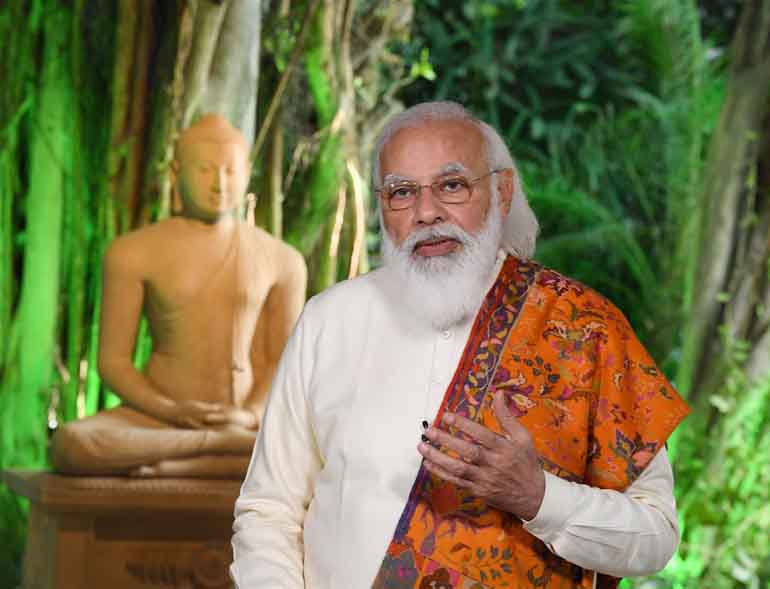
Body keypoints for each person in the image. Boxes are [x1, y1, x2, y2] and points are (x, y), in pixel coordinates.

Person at [230, 101, 690, 588]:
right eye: (402, 192)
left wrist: (539, 497)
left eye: (452, 185)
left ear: (502, 191)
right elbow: (269, 511)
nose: (426, 213)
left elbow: (655, 536)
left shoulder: (584, 331)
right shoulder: (330, 321)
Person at [51, 114, 307, 479]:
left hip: (244, 420)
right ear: (175, 172)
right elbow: (114, 362)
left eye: (230, 171)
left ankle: (194, 459)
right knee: (73, 445)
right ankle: (219, 450)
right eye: (204, 170)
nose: (219, 184)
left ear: (248, 173)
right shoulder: (132, 252)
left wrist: (250, 415)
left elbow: (283, 363)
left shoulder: (283, 259)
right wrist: (170, 410)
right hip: (156, 421)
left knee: (324, 442)